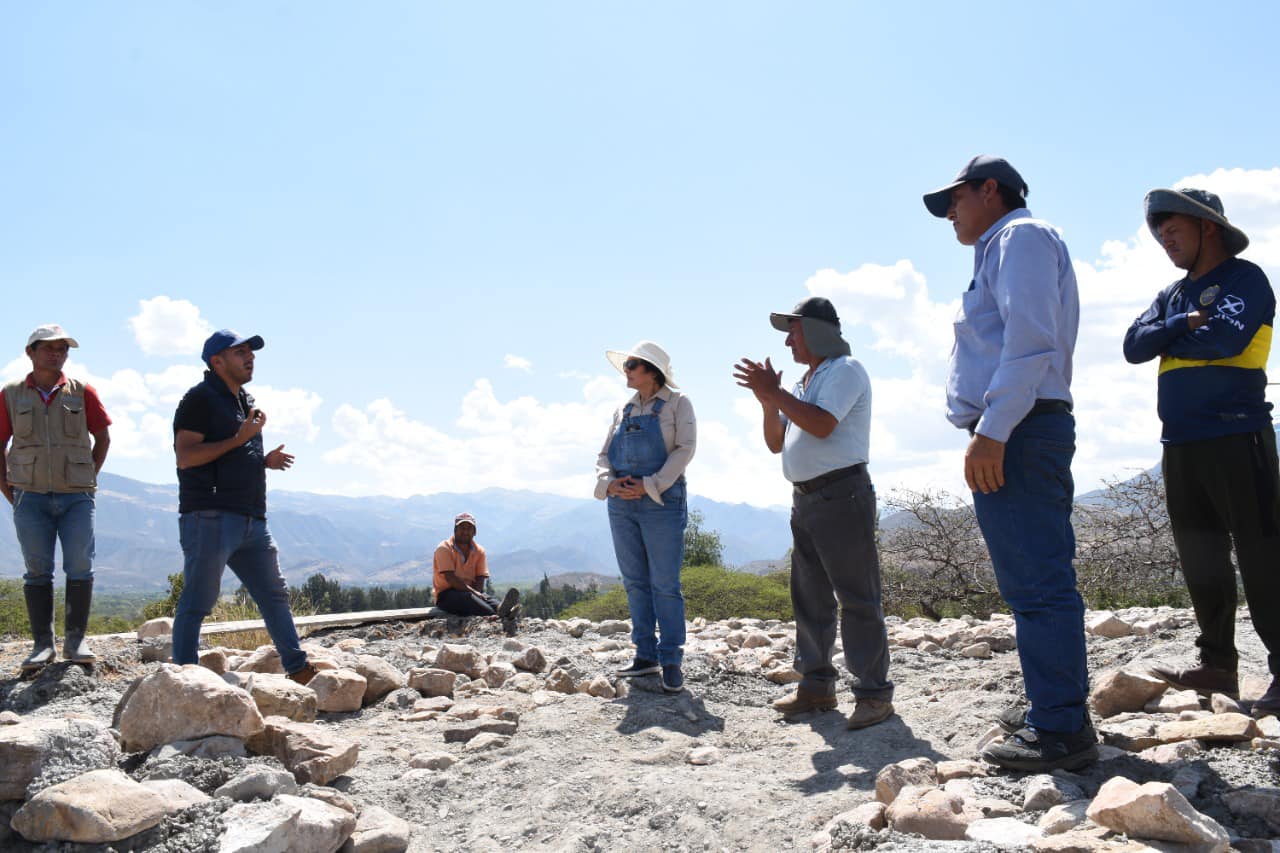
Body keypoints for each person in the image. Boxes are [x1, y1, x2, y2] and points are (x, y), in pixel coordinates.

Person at [923, 155, 1095, 770]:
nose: (950, 214)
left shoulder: (1020, 238)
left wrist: (992, 431)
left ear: (990, 190)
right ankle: (1059, 711)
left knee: (1038, 584)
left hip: (1019, 429)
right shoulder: (1000, 247)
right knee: (1033, 581)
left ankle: (1059, 730)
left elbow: (1030, 340)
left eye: (955, 200)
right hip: (1017, 427)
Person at [1123, 187, 1280, 715]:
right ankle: (1218, 666)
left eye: (1174, 234)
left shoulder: (1245, 278)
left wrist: (1170, 337)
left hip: (1238, 434)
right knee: (1201, 555)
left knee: (1263, 554)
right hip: (1182, 443)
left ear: (1207, 227)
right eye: (1160, 236)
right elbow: (1132, 346)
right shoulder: (1173, 294)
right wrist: (1177, 326)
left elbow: (1224, 341)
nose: (1166, 244)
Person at [733, 298, 894, 730]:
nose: (788, 340)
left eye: (794, 331)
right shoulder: (810, 380)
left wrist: (776, 392)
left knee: (857, 598)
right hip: (807, 500)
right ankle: (817, 686)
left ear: (820, 331)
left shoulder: (845, 371)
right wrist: (769, 402)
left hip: (842, 496)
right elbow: (775, 442)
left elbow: (823, 425)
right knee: (810, 597)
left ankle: (874, 695)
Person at [171, 330, 314, 683]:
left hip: (251, 518)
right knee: (197, 602)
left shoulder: (244, 400)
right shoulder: (199, 399)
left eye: (251, 352)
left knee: (274, 594)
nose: (250, 357)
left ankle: (298, 669)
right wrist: (240, 439)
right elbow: (186, 456)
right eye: (240, 352)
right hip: (211, 516)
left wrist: (263, 460)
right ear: (216, 361)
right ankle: (186, 680)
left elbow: (230, 454)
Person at [1, 324, 112, 672]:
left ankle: (76, 641)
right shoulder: (10, 394)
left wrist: (88, 477)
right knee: (37, 570)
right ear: (30, 352)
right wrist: (10, 490)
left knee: (80, 564)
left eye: (62, 348)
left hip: (76, 497)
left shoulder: (82, 392)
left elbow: (103, 437)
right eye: (48, 347)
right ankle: (41, 646)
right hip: (29, 496)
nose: (56, 353)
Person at [595, 341, 696, 694]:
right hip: (621, 504)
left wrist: (650, 484)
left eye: (633, 365)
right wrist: (609, 484)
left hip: (661, 502)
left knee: (664, 583)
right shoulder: (622, 410)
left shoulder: (678, 404)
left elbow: (685, 449)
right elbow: (604, 455)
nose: (627, 370)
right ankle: (645, 654)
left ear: (653, 372)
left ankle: (671, 659)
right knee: (635, 581)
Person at [432, 511, 520, 630]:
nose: (465, 532)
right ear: (455, 530)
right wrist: (475, 593)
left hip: (470, 592)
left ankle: (504, 611)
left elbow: (480, 577)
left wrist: (477, 594)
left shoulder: (479, 551)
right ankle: (497, 616)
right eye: (462, 528)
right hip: (446, 595)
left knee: (491, 601)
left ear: (475, 532)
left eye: (469, 528)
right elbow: (451, 578)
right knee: (471, 600)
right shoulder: (444, 548)